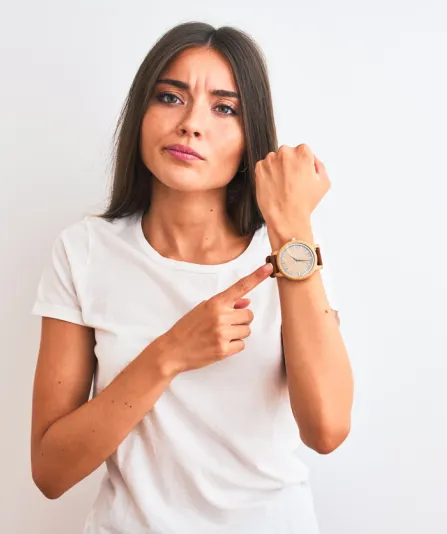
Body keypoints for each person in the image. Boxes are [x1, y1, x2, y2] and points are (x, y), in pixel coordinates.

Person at [29, 21, 354, 534]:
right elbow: (51, 470)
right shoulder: (84, 252)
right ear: (141, 112)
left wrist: (291, 227)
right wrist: (171, 353)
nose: (191, 125)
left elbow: (328, 429)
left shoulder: (292, 255)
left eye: (224, 108)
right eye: (170, 97)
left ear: (252, 137)